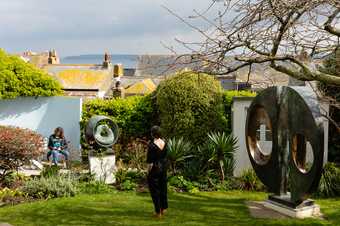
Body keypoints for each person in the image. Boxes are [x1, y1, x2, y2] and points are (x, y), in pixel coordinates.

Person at [147, 126, 168, 218]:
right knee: (163, 188)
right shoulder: (164, 142)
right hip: (164, 168)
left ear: (153, 133)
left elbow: (150, 161)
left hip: (155, 169)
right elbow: (165, 155)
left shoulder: (152, 144)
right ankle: (163, 209)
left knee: (155, 190)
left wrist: (148, 171)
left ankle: (157, 212)